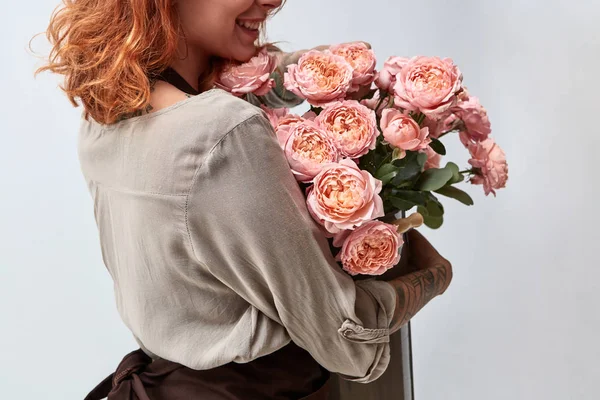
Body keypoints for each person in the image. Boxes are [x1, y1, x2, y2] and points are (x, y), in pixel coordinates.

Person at [36, 0, 453, 398]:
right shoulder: (223, 132)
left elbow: (248, 84)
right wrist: (429, 273)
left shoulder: (104, 114)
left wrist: (335, 69)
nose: (272, 2)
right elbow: (345, 336)